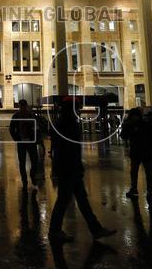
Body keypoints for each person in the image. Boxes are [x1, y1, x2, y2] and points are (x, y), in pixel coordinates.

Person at [48, 102, 116, 242]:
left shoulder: (62, 123)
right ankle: (54, 231)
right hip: (69, 169)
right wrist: (75, 166)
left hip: (68, 168)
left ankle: (95, 229)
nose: (78, 112)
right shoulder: (68, 125)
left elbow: (61, 148)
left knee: (80, 200)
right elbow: (69, 149)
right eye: (77, 109)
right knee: (65, 200)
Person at [120, 108, 152, 204]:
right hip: (140, 151)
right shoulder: (137, 124)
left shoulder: (144, 124)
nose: (135, 118)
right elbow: (123, 135)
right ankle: (138, 189)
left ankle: (147, 191)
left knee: (146, 173)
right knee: (136, 171)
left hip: (142, 151)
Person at [9, 99, 40, 189]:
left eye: (23, 106)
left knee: (34, 161)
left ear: (26, 106)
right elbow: (11, 128)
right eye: (21, 106)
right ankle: (24, 180)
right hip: (22, 141)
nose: (22, 107)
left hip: (30, 141)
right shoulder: (16, 115)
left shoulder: (31, 115)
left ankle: (32, 175)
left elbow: (36, 127)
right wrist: (16, 138)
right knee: (22, 162)